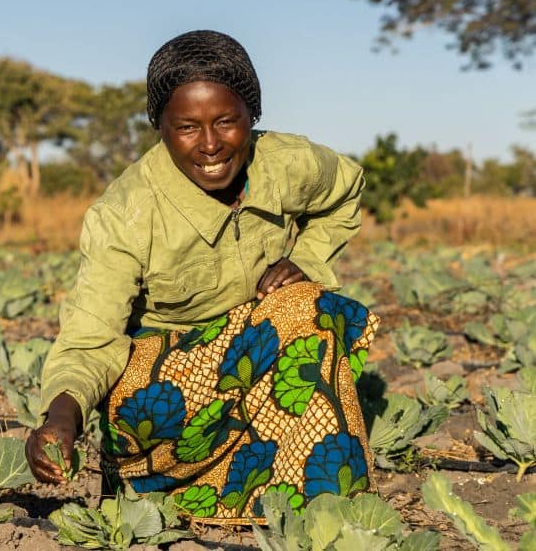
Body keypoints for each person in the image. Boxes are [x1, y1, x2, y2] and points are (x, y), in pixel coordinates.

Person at [25, 30, 379, 524]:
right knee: (289, 318)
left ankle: (318, 512)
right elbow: (91, 337)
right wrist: (61, 417)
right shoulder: (126, 212)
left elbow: (346, 191)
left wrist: (310, 261)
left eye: (227, 122)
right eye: (188, 127)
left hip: (253, 346)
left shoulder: (286, 164)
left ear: (251, 116)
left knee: (308, 306)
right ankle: (155, 486)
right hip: (165, 384)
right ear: (160, 127)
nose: (210, 145)